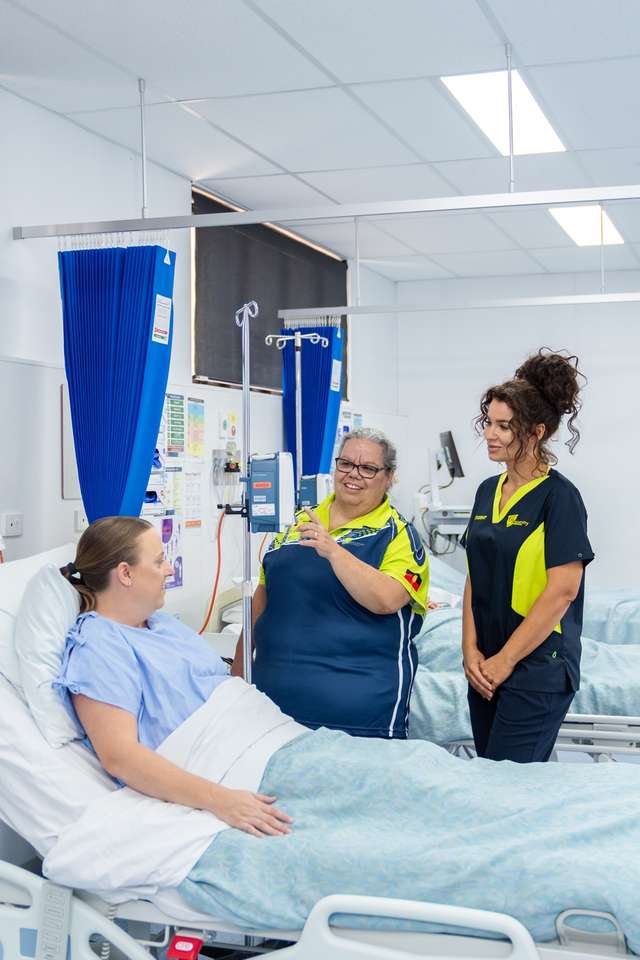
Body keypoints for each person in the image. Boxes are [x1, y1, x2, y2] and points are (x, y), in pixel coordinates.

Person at [54, 516, 293, 839]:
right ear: (125, 573)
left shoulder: (161, 624)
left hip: (269, 741)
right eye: (159, 561)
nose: (169, 569)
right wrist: (222, 801)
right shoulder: (99, 646)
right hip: (226, 767)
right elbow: (120, 756)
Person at [232, 428, 429, 739]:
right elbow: (261, 602)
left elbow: (387, 599)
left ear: (389, 477)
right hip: (271, 712)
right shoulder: (296, 525)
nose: (353, 475)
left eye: (368, 468)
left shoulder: (397, 535)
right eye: (345, 464)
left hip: (359, 719)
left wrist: (333, 551)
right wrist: (238, 678)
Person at [461, 349, 594, 763]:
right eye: (489, 423)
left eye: (504, 426)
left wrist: (505, 661)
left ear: (535, 432)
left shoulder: (560, 498)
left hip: (536, 667)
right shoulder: (487, 490)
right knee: (490, 775)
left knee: (507, 786)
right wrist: (470, 651)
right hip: (485, 665)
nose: (490, 434)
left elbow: (562, 592)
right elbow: (473, 574)